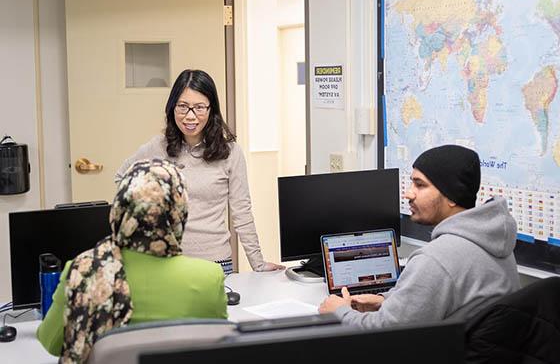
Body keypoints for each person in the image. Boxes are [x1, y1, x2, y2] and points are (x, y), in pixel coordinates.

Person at [37, 159, 228, 362]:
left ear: (121, 206)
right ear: (177, 210)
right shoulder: (209, 278)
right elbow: (218, 346)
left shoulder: (82, 271)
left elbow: (51, 342)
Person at [319, 145, 521, 328]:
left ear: (451, 196)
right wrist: (386, 301)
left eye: (420, 185)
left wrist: (339, 311)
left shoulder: (436, 259)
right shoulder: (493, 241)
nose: (409, 194)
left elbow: (385, 334)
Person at [115, 69, 284, 274]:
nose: (190, 116)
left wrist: (257, 263)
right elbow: (122, 177)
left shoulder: (230, 153)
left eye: (199, 108)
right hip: (166, 263)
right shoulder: (157, 147)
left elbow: (242, 211)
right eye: (183, 107)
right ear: (172, 108)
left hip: (215, 263)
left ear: (211, 110)